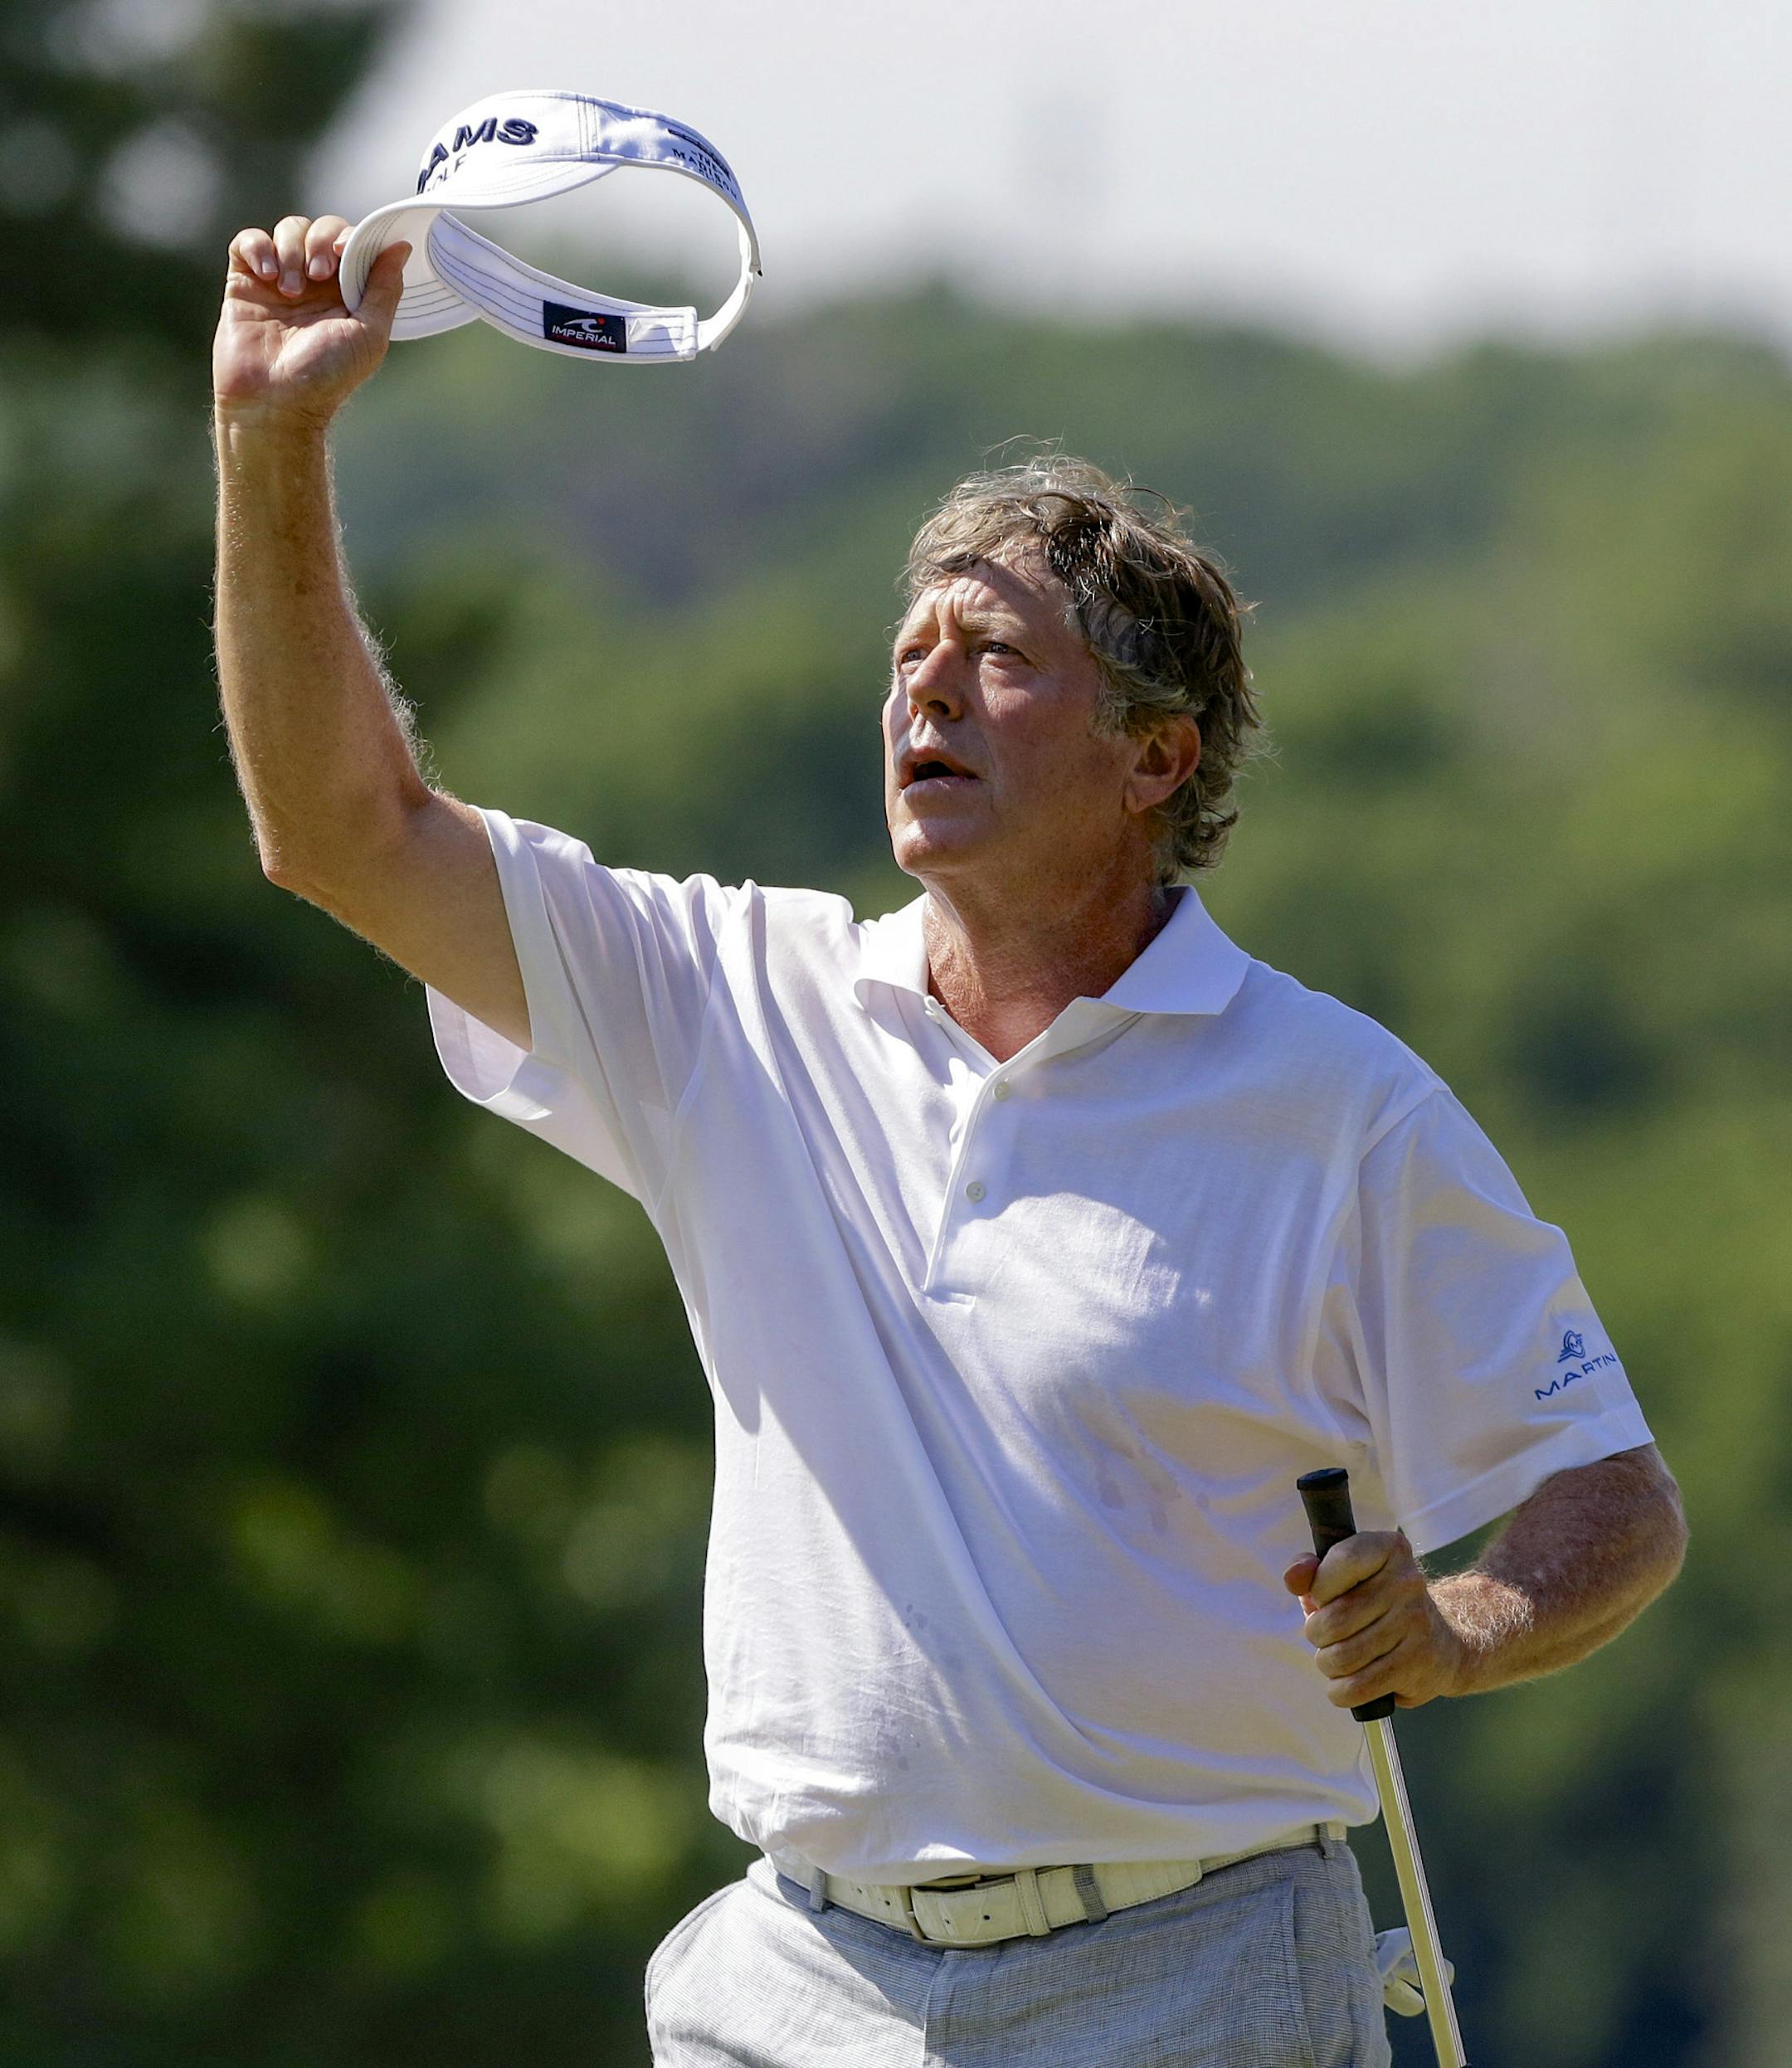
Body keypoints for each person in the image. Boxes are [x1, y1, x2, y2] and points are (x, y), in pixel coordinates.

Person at [212, 214, 1688, 2068]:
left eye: (994, 655)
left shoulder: (1339, 1106)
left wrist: (1456, 1627)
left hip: (1194, 1979)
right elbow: (341, 831)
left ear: (1156, 758)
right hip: (792, 1984)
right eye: (910, 650)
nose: (925, 687)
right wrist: (270, 441)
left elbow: (1614, 1497)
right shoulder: (734, 1000)